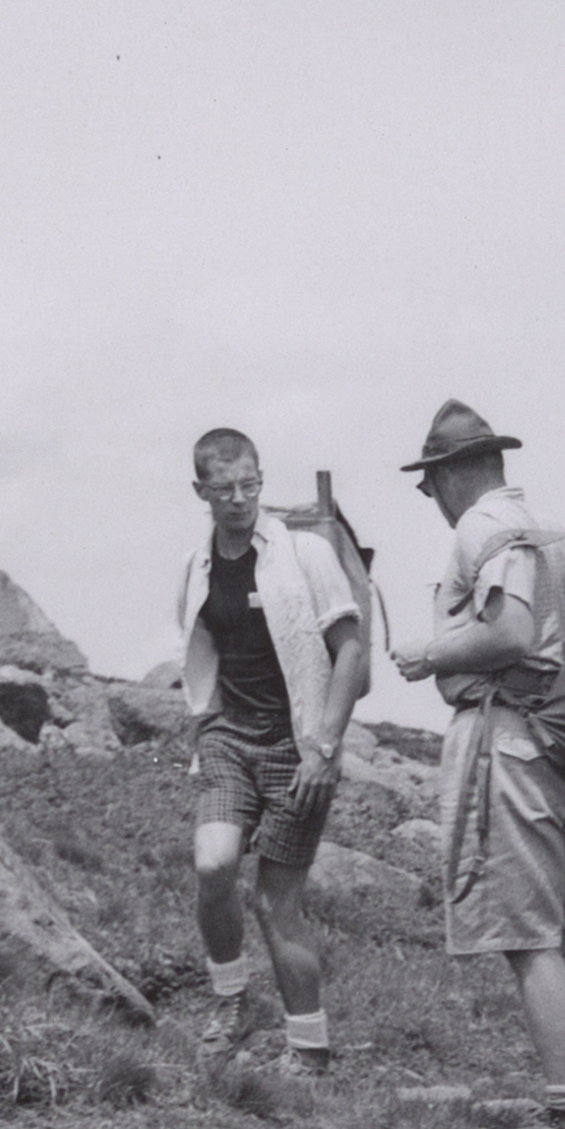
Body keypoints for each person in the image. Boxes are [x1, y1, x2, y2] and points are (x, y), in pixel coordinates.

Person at [390, 400, 565, 1129]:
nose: (429, 499)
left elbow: (509, 631)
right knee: (562, 930)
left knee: (527, 936)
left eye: (428, 482)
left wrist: (430, 653)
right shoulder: (551, 531)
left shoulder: (482, 529)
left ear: (452, 474)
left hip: (511, 739)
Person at [177, 428, 366, 1073]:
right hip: (232, 737)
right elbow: (201, 644)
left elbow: (351, 653)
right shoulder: (198, 562)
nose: (238, 500)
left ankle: (308, 1051)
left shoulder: (304, 553)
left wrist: (324, 746)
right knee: (212, 865)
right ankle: (231, 1000)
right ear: (200, 490)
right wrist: (204, 724)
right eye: (224, 489)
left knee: (274, 901)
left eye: (250, 485)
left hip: (299, 744)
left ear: (262, 479)